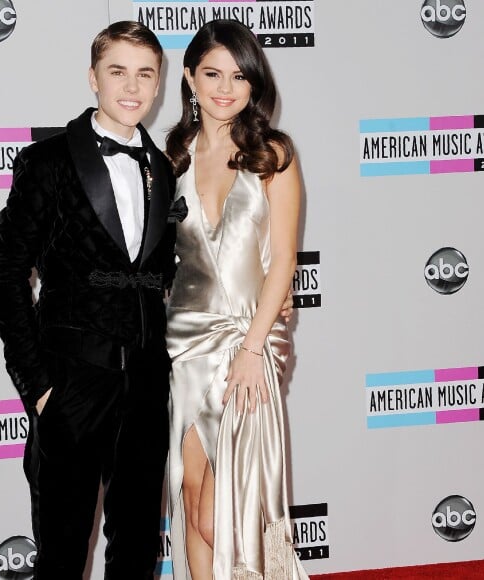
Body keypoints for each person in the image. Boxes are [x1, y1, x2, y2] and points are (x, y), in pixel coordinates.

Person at [0, 21, 180, 580]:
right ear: (93, 78)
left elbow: (169, 273)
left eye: (145, 73)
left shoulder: (164, 170)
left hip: (145, 386)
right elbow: (6, 276)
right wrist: (38, 385)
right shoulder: (47, 161)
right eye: (117, 71)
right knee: (63, 556)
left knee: (138, 551)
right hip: (70, 385)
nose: (132, 86)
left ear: (159, 82)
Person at [165, 20, 310, 580]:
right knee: (191, 495)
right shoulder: (171, 156)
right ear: (190, 78)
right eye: (212, 73)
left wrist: (254, 348)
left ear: (255, 84)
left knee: (222, 516)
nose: (226, 88)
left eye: (240, 76)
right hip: (182, 349)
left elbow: (283, 264)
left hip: (245, 349)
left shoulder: (273, 154)